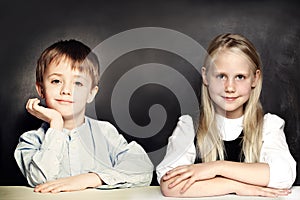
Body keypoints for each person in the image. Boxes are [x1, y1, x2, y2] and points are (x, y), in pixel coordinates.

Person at [156, 33, 296, 198]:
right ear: (205, 76)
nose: (230, 87)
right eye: (221, 76)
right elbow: (170, 185)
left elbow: (283, 176)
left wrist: (217, 168)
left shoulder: (268, 126)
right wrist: (236, 186)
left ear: (255, 79)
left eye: (240, 77)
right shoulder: (190, 127)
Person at [14, 39, 153, 193]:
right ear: (41, 89)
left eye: (78, 83)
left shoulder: (105, 132)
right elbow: (40, 180)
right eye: (56, 81)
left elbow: (143, 169)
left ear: (91, 93)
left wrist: (90, 179)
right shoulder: (30, 140)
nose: (66, 90)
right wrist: (56, 123)